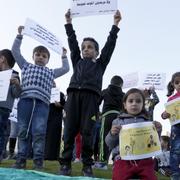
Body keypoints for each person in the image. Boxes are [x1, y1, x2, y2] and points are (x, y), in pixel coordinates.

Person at [59, 9, 122, 177]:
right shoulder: (77, 61)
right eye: (84, 47)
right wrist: (68, 23)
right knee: (69, 131)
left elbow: (110, 46)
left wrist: (115, 25)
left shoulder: (100, 65)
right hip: (73, 97)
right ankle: (65, 164)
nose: (86, 49)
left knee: (88, 132)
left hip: (91, 100)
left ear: (97, 52)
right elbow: (72, 42)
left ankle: (87, 165)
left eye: (90, 47)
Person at [11, 25, 69, 170]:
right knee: (23, 130)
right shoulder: (26, 66)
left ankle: (38, 161)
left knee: (39, 132)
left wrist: (63, 55)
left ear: (48, 59)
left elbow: (66, 69)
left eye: (44, 56)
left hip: (42, 105)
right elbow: (15, 52)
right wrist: (19, 36)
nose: (40, 57)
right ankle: (20, 159)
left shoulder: (51, 72)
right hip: (25, 102)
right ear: (33, 56)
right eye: (38, 54)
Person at [105, 88, 162, 180]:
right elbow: (109, 144)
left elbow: (154, 143)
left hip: (145, 160)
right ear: (125, 105)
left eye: (138, 101)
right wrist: (112, 134)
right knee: (118, 177)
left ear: (143, 105)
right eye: (130, 101)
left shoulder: (148, 122)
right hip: (123, 159)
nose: (134, 103)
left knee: (151, 177)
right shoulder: (117, 121)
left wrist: (158, 131)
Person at [94, 75, 125, 169]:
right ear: (121, 85)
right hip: (119, 117)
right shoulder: (123, 95)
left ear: (111, 82)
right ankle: (117, 162)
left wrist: (97, 113)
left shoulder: (105, 91)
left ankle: (103, 162)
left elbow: (97, 102)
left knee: (104, 139)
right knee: (119, 139)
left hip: (107, 116)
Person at [0, 49, 21, 163]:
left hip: (4, 108)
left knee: (1, 132)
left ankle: (1, 154)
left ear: (3, 58)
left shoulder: (14, 74)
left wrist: (17, 84)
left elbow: (16, 93)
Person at [161, 72, 180, 180]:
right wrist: (164, 115)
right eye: (177, 82)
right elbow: (165, 113)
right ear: (173, 85)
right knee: (176, 150)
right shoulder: (171, 100)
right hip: (176, 127)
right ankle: (175, 174)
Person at [44, 84, 66, 160]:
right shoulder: (45, 93)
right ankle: (44, 155)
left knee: (54, 137)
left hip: (56, 119)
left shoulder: (60, 94)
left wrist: (59, 105)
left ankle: (53, 156)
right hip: (46, 118)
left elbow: (65, 106)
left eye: (53, 83)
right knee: (45, 137)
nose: (52, 84)